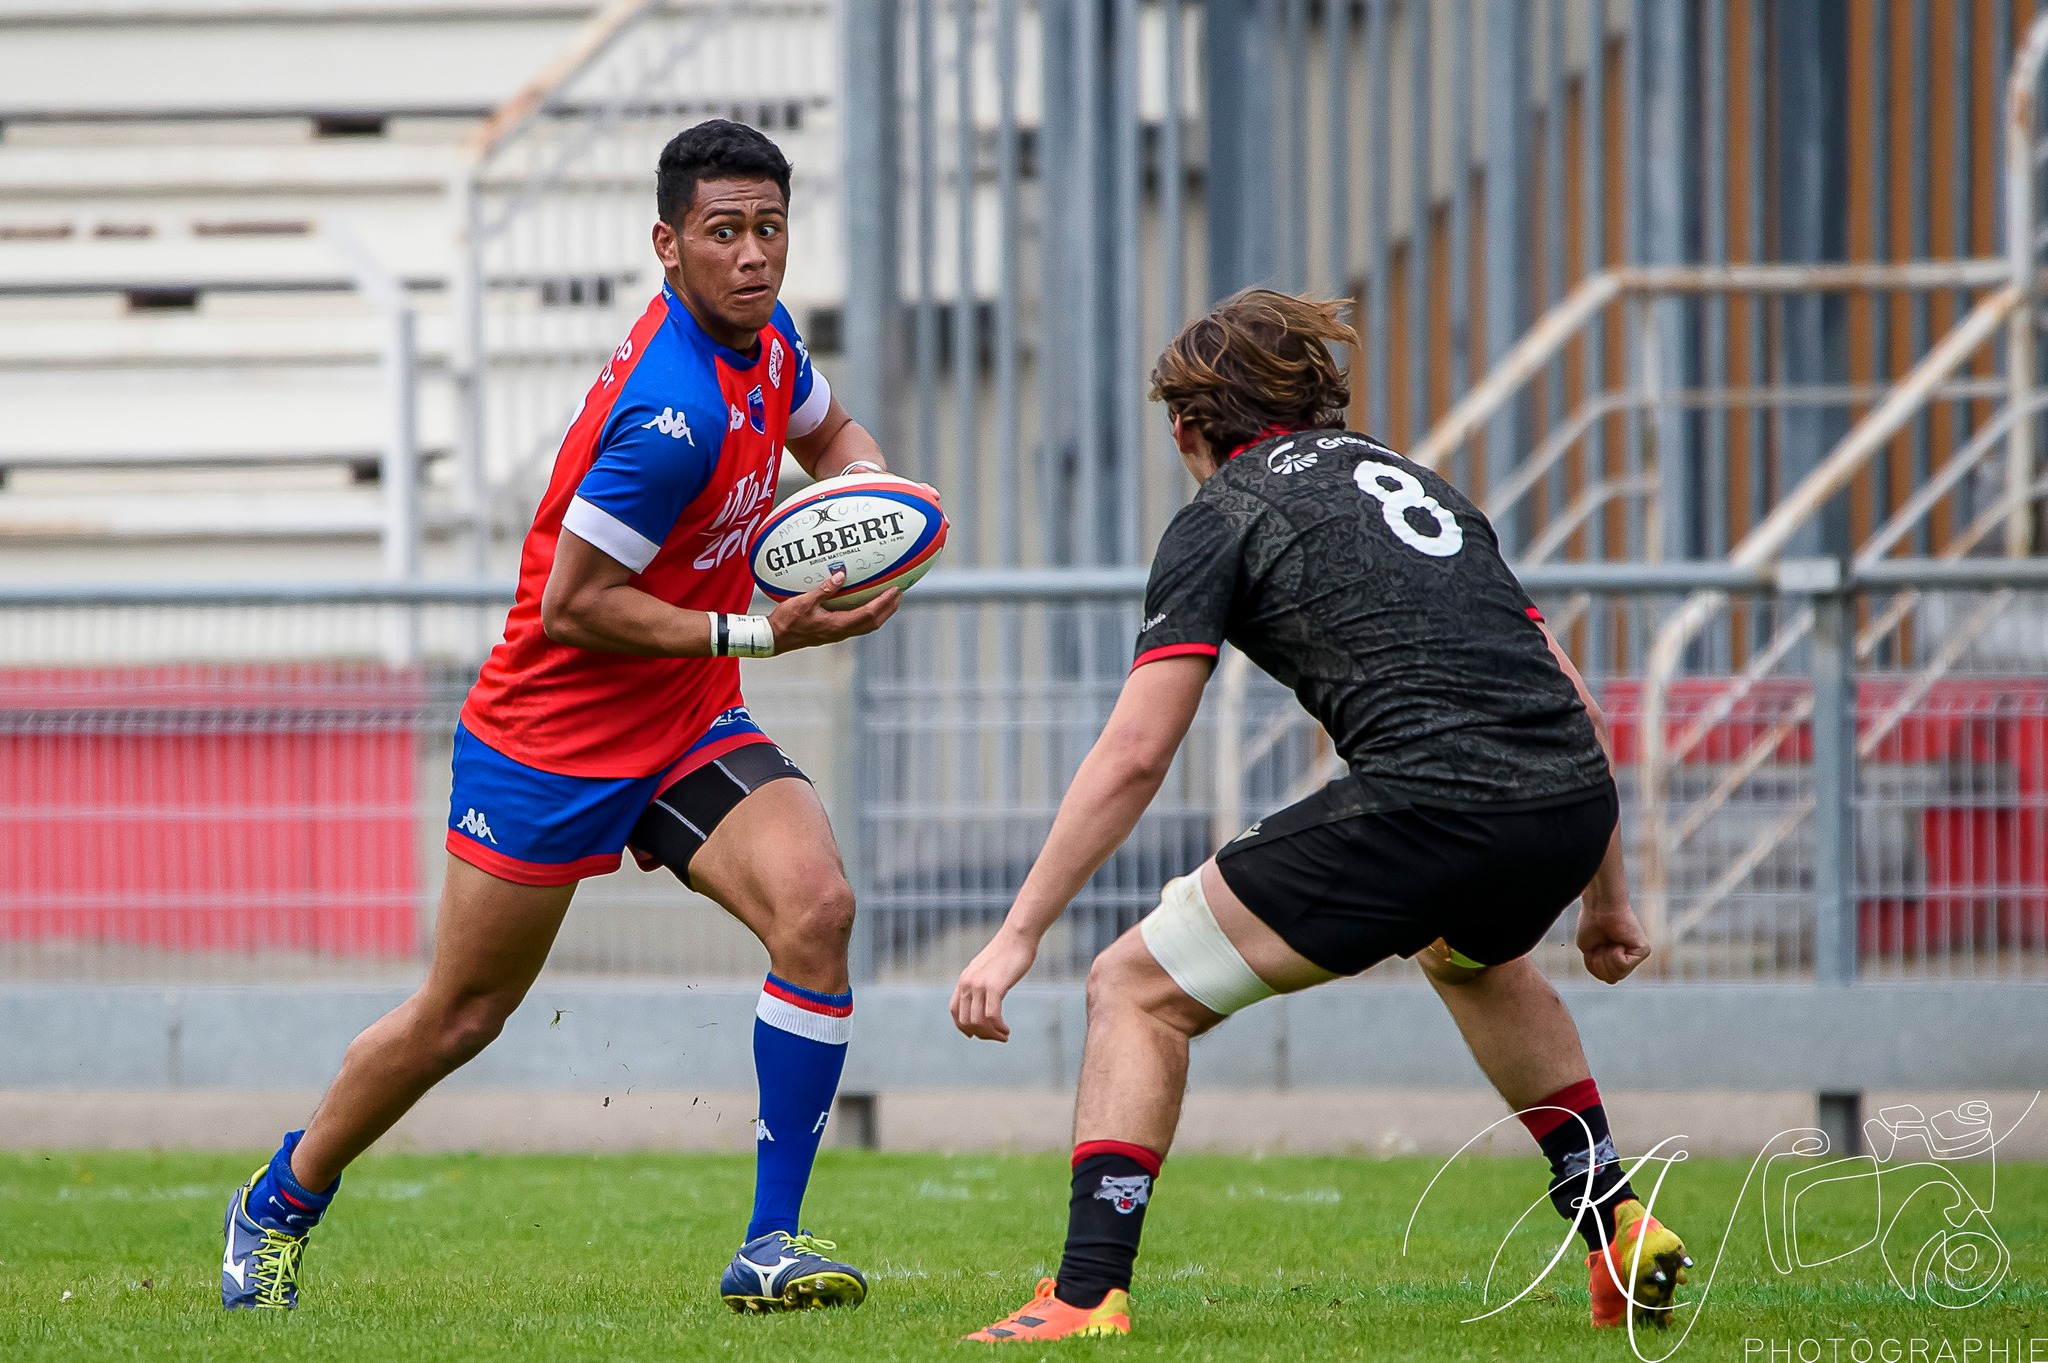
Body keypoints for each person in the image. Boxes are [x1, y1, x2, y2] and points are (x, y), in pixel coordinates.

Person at [222, 120, 900, 1315]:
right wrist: (761, 630)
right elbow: (575, 608)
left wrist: (881, 507)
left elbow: (832, 437)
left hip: (686, 714)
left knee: (818, 908)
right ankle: (281, 1195)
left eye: (769, 229)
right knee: (462, 1014)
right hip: (553, 737)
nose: (752, 256)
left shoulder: (772, 340)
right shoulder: (670, 414)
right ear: (666, 244)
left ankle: (770, 1243)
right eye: (723, 232)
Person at [952, 290, 1690, 1342]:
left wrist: (1016, 931)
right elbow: (1566, 688)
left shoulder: (1221, 512)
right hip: (1568, 800)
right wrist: (1606, 899)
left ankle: (1082, 1296)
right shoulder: (1418, 485)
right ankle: (1614, 1222)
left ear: (1184, 427)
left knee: (1133, 988)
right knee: (1465, 957)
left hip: (1428, 805)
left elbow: (1134, 751)